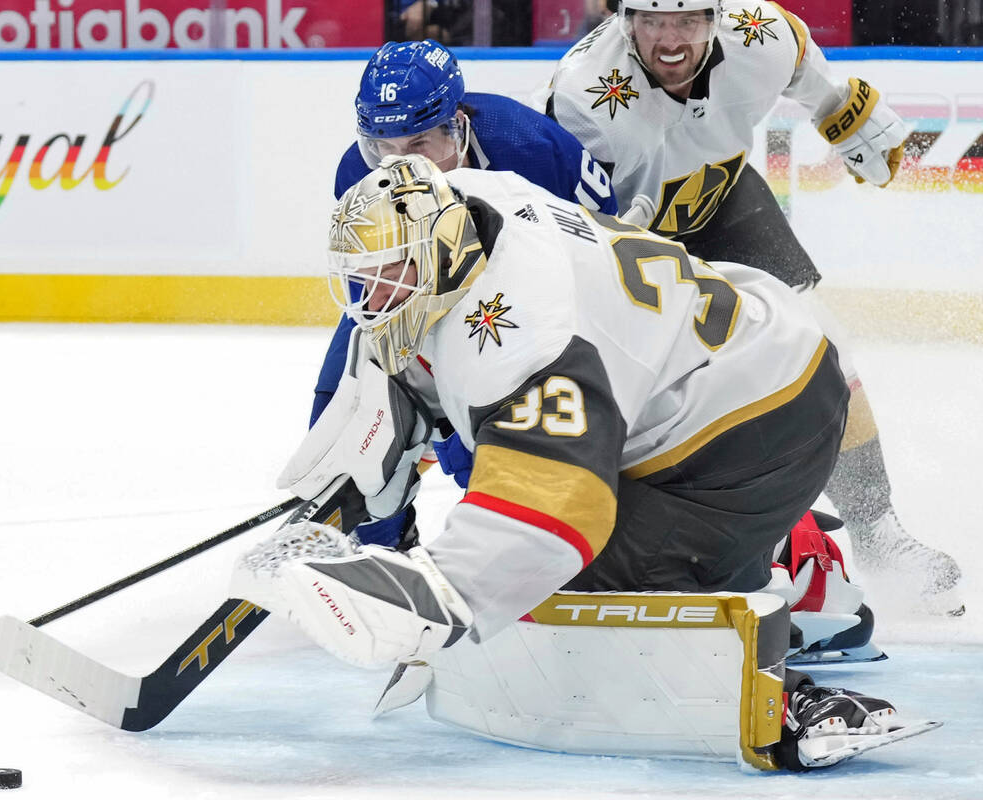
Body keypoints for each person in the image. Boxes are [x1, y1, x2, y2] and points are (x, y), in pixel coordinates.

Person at [233, 154, 935, 770]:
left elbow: (554, 517)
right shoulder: (472, 199)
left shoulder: (528, 330)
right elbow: (433, 346)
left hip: (763, 415)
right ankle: (777, 552)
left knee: (586, 576)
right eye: (364, 279)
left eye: (388, 276)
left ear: (439, 256)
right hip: (727, 358)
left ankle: (797, 643)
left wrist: (433, 597)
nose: (372, 297)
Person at [544, 0, 963, 615]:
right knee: (642, 389)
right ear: (622, 18)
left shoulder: (760, 33)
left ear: (717, 16)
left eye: (687, 19)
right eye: (651, 20)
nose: (668, 40)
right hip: (630, 244)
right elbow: (566, 225)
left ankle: (880, 532)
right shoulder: (583, 98)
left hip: (726, 200)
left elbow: (809, 72)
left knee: (824, 347)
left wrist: (839, 110)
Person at [311, 39, 618, 548]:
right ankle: (378, 544)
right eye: (381, 148)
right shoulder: (356, 175)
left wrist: (460, 420)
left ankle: (523, 538)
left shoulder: (531, 148)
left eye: (416, 145)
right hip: (421, 293)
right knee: (343, 419)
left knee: (498, 443)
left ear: (456, 126)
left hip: (531, 302)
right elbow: (377, 302)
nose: (395, 169)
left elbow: (603, 251)